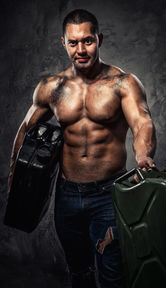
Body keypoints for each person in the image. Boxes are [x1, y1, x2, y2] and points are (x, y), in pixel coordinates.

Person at [7, 9, 156, 288]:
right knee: (80, 274)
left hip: (108, 194)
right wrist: (15, 177)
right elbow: (25, 130)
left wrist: (143, 154)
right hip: (67, 197)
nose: (81, 49)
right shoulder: (53, 87)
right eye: (73, 42)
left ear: (99, 39)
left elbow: (141, 122)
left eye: (87, 41)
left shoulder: (123, 83)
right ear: (63, 43)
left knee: (112, 276)